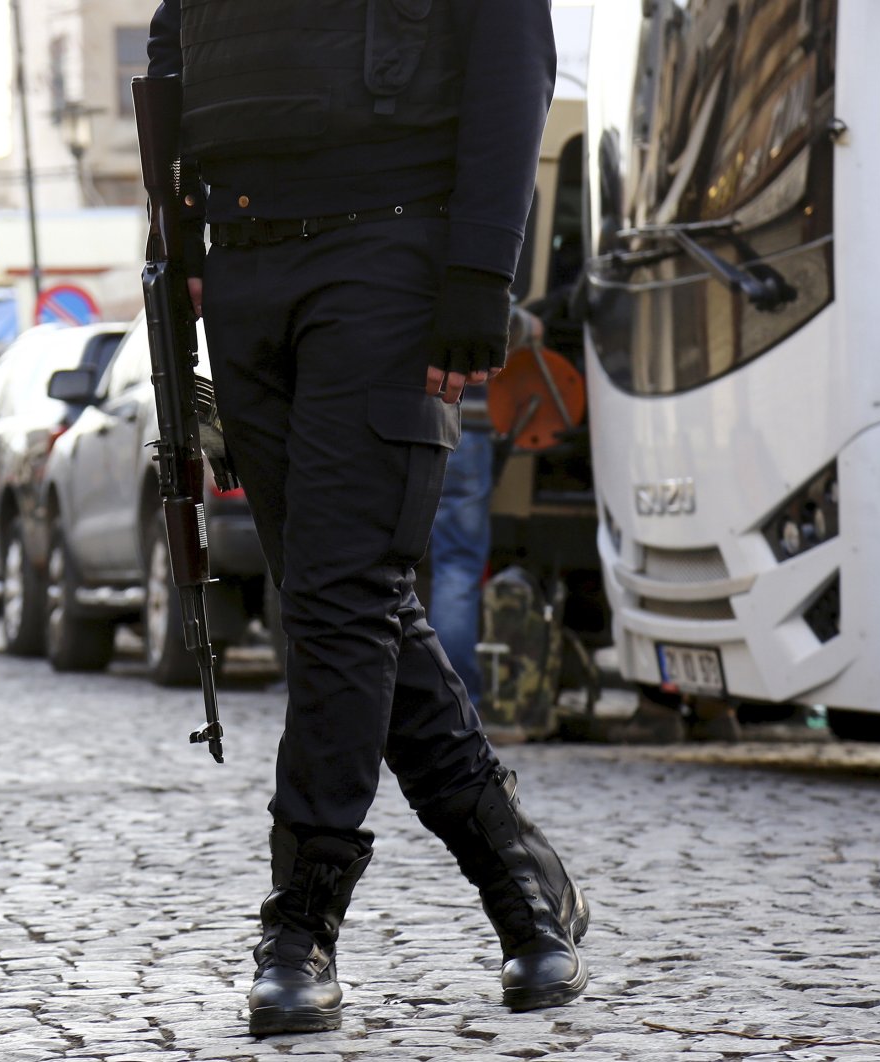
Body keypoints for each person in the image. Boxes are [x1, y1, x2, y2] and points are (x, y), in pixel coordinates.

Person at [148, 0, 586, 1037]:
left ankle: (300, 929)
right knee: (351, 602)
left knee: (342, 602)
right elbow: (177, 38)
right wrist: (182, 229)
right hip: (248, 262)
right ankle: (523, 888)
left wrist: (480, 271)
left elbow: (509, 55)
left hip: (387, 251)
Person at [428, 302, 545, 709]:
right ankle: (456, 703)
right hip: (464, 429)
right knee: (457, 567)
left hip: (400, 423)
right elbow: (513, 323)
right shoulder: (459, 260)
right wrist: (532, 320)